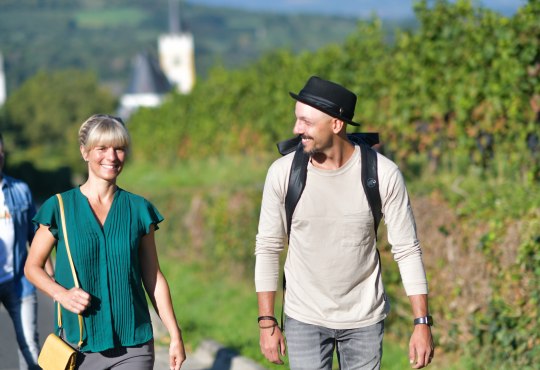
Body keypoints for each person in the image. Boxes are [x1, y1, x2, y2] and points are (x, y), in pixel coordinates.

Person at [255, 76, 434, 369]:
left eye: (306, 122)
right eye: (297, 120)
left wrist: (422, 323)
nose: (296, 129)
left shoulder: (383, 174)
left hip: (365, 318)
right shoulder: (283, 174)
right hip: (304, 316)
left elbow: (407, 250)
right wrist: (267, 322)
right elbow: (268, 247)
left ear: (337, 125)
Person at [24, 114, 186, 370]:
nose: (111, 157)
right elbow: (32, 267)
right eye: (102, 148)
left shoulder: (139, 209)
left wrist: (175, 335)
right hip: (78, 346)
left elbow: (153, 277)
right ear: (85, 152)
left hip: (134, 345)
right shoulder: (59, 207)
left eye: (119, 148)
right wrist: (61, 294)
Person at [0, 133, 49, 370]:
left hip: (19, 281)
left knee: (30, 349)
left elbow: (38, 238)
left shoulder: (20, 190)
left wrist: (52, 284)